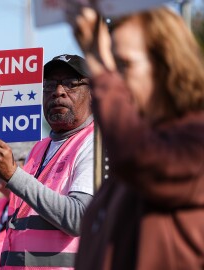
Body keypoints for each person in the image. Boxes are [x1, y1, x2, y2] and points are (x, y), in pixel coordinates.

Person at [65, 4, 204, 270]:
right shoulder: (129, 161)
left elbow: (140, 160)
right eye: (111, 66)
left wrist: (97, 63)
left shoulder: (195, 139)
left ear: (167, 65)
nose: (114, 79)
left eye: (124, 65)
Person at [0, 54, 95, 269]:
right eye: (49, 85)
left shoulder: (95, 142)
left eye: (71, 84)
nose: (58, 91)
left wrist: (13, 175)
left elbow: (78, 219)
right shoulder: (40, 148)